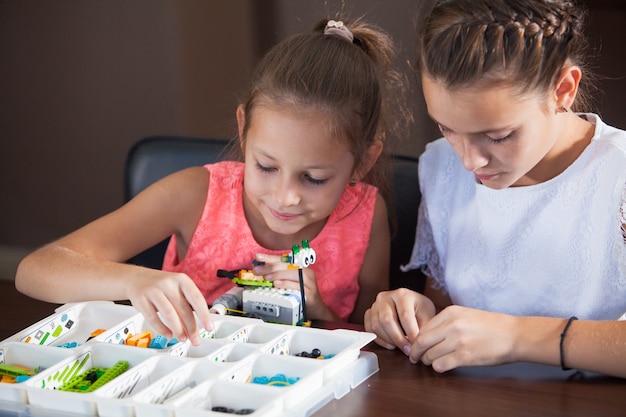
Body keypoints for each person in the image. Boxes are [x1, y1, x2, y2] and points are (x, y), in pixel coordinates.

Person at [16, 18, 411, 346]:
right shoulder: (194, 195)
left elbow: (373, 338)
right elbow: (36, 269)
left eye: (314, 178)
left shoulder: (364, 215)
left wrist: (319, 310)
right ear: (244, 131)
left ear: (363, 162)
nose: (285, 197)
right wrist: (136, 279)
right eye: (266, 167)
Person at [364, 0, 626, 378]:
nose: (469, 162)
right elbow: (447, 313)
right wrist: (412, 316)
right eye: (447, 128)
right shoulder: (442, 168)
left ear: (562, 90)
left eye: (498, 136)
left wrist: (515, 336)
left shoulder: (617, 178)